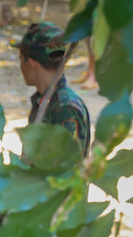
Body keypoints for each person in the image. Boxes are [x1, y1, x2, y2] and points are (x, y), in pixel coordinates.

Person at [14, 22, 91, 156]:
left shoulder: (65, 108)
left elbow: (69, 170)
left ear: (31, 63)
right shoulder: (44, 100)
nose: (20, 66)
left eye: (21, 59)